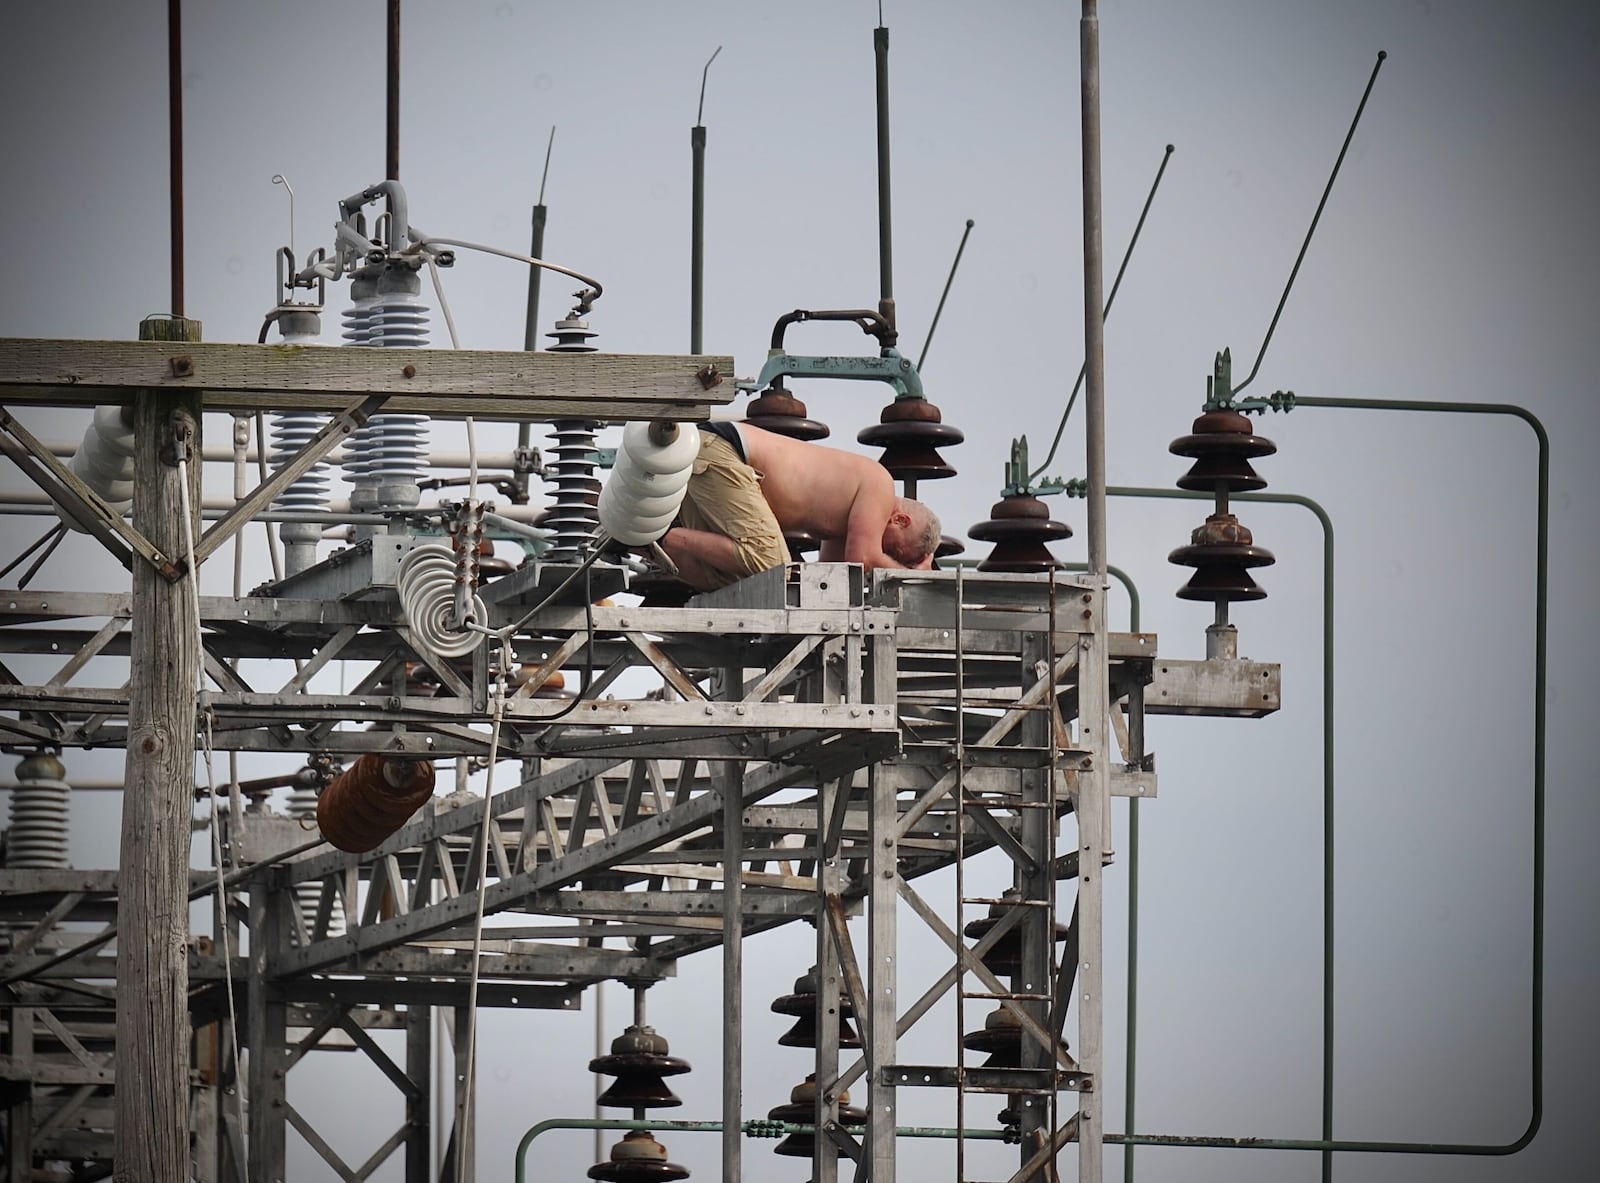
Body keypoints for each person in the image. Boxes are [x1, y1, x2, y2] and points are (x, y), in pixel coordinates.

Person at [654, 420, 941, 591]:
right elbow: (865, 557)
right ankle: (665, 534)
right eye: (894, 550)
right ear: (900, 520)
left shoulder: (851, 519)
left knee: (732, 577)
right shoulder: (881, 485)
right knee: (773, 567)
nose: (886, 556)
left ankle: (643, 540)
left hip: (707, 457)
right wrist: (910, 576)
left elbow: (830, 577)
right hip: (723, 452)